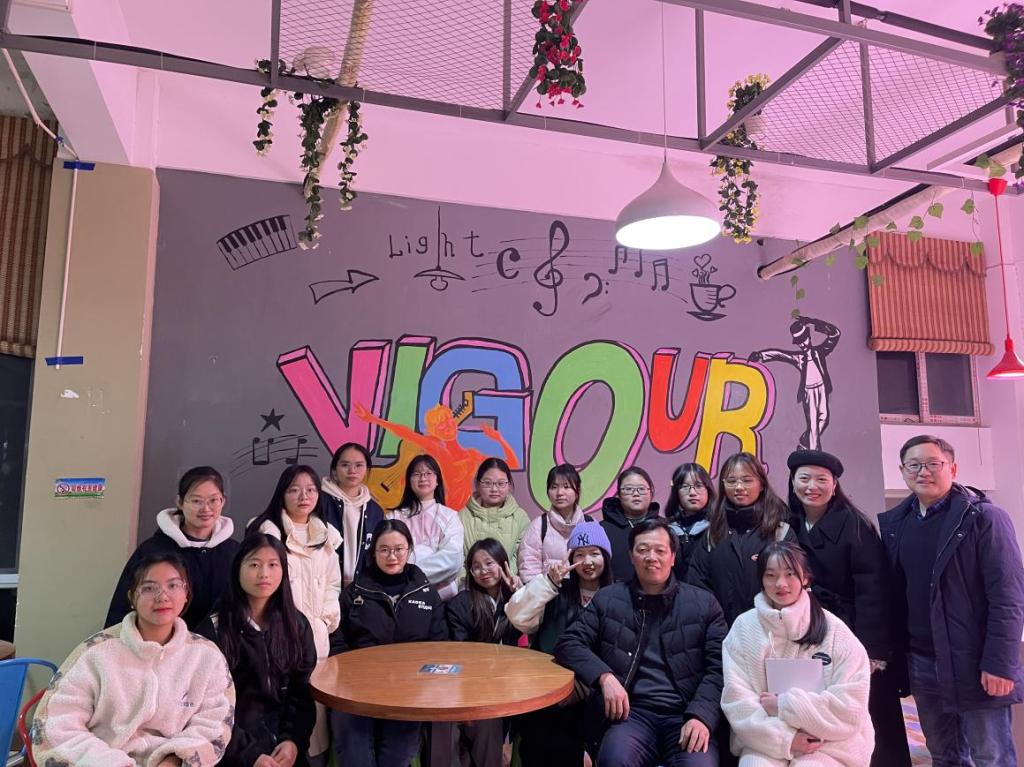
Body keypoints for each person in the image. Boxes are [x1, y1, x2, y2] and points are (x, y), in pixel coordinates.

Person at [878, 435, 1024, 766]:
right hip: (922, 661)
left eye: (933, 463)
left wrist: (999, 663)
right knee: (944, 755)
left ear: (953, 469)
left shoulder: (985, 518)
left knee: (991, 757)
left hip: (975, 662)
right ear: (902, 471)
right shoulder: (898, 524)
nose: (923, 472)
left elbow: (1008, 597)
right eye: (914, 465)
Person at [34, 553, 235, 767]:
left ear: (186, 593)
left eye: (173, 585)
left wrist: (174, 759)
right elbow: (58, 723)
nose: (162, 596)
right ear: (131, 597)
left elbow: (214, 723)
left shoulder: (206, 656)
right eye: (149, 588)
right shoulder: (96, 652)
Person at [555, 518, 727, 767]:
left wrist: (702, 716)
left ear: (673, 557)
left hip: (686, 713)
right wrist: (605, 677)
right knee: (614, 760)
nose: (651, 557)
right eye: (643, 550)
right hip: (632, 714)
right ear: (631, 557)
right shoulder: (608, 599)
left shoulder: (704, 603)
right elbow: (569, 643)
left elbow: (719, 668)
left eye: (660, 550)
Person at [785, 449, 908, 767]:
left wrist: (873, 652)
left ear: (835, 484)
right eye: (804, 478)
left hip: (855, 634)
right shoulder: (788, 524)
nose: (812, 486)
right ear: (793, 482)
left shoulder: (855, 526)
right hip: (811, 634)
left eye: (821, 479)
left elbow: (874, 592)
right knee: (824, 718)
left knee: (871, 718)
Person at [721, 541, 874, 766]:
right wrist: (785, 739)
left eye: (790, 574)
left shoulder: (835, 631)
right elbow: (738, 700)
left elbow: (850, 706)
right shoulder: (744, 628)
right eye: (771, 575)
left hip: (830, 742)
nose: (780, 583)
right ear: (761, 580)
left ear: (805, 578)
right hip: (765, 739)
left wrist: (785, 705)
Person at [334, 518, 448, 767]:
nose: (392, 556)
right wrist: (350, 680)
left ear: (409, 549)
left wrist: (424, 685)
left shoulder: (427, 593)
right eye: (384, 549)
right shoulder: (353, 594)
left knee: (397, 756)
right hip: (358, 690)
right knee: (355, 753)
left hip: (409, 691)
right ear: (373, 552)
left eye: (398, 549)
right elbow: (338, 643)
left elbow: (439, 645)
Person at [196, 533, 317, 767]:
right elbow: (208, 708)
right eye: (254, 565)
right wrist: (250, 755)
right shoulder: (214, 629)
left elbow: (301, 693)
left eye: (273, 565)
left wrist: (293, 740)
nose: (264, 574)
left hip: (283, 750)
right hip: (231, 753)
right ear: (237, 569)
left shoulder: (297, 625)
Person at [249, 465, 341, 763]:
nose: (304, 496)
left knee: (313, 713)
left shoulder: (326, 535)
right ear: (282, 493)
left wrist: (326, 619)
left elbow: (333, 583)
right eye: (294, 490)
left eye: (311, 490)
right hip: (278, 632)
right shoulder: (267, 532)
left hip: (317, 635)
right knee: (280, 709)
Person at [506, 520, 614, 767]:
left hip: (594, 692)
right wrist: (548, 583)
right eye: (580, 555)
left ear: (606, 557)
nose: (587, 561)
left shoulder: (618, 595)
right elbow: (517, 616)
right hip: (548, 688)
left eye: (595, 553)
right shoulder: (556, 590)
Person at [106, 466, 239, 629]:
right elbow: (123, 607)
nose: (206, 508)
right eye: (196, 501)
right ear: (180, 502)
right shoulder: (153, 551)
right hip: (160, 641)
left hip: (220, 643)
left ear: (223, 501)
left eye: (213, 500)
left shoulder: (235, 552)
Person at [687, 452, 794, 626]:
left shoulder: (780, 532)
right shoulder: (712, 533)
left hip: (772, 630)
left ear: (761, 484)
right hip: (723, 632)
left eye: (747, 480)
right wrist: (715, 627)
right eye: (731, 481)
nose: (738, 487)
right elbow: (697, 586)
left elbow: (794, 584)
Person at [446, 538, 523, 767]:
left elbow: (531, 626)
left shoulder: (515, 599)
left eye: (489, 563)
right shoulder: (461, 604)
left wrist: (520, 595)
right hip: (474, 686)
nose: (483, 571)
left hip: (510, 684)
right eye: (476, 566)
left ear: (503, 564)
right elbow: (460, 654)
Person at [748, 316, 840, 451]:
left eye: (804, 339)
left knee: (824, 419)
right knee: (813, 425)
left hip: (822, 388)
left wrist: (813, 322)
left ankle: (805, 442)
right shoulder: (799, 358)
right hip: (809, 392)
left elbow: (835, 334)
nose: (802, 344)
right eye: (799, 342)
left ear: (809, 337)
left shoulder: (819, 352)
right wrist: (761, 355)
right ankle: (813, 454)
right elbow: (780, 354)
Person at [387, 453, 464, 600]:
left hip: (441, 598)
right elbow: (388, 556)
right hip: (401, 596)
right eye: (417, 474)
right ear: (409, 481)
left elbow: (452, 559)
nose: (423, 478)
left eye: (428, 473)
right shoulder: (394, 517)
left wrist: (411, 575)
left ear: (437, 480)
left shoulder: (450, 517)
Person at [321, 442, 385, 588]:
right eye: (345, 465)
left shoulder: (375, 510)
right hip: (324, 584)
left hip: (361, 587)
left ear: (367, 469)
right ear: (334, 470)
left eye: (359, 465)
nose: (352, 471)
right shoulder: (319, 502)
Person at [518, 464, 590, 583]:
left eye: (566, 486)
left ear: (577, 491)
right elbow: (528, 569)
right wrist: (541, 591)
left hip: (583, 591)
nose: (559, 492)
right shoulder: (538, 526)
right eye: (554, 487)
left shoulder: (590, 524)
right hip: (549, 591)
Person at [460, 457, 531, 576]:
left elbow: (523, 558)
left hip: (508, 584)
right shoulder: (462, 517)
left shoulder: (520, 518)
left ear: (509, 485)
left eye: (501, 483)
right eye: (487, 483)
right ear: (478, 484)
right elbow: (458, 560)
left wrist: (504, 579)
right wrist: (469, 582)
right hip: (470, 584)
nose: (494, 489)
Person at [599, 466, 661, 582]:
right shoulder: (602, 530)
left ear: (651, 492)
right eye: (628, 489)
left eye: (641, 489)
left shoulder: (664, 527)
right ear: (619, 494)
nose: (636, 494)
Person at [664, 463, 715, 581]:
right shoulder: (665, 530)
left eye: (698, 485)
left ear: (708, 489)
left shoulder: (719, 528)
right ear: (676, 492)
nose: (692, 492)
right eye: (685, 486)